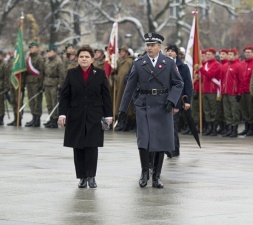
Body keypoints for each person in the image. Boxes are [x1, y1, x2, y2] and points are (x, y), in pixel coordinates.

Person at [118, 32, 183, 189]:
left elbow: (178, 83)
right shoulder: (139, 63)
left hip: (163, 105)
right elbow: (130, 87)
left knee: (160, 142)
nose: (149, 48)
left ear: (159, 47)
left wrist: (172, 100)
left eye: (152, 45)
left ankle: (156, 177)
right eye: (147, 45)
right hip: (144, 105)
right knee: (143, 141)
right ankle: (144, 172)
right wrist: (122, 110)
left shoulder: (168, 62)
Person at [58, 45, 113, 189]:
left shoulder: (100, 74)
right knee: (78, 147)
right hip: (75, 115)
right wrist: (62, 114)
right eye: (81, 56)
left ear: (92, 59)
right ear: (77, 58)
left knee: (92, 146)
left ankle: (91, 176)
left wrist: (108, 115)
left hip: (94, 115)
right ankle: (82, 177)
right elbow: (64, 96)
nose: (84, 59)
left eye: (87, 57)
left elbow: (106, 96)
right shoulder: (71, 73)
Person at [166, 44, 192, 157]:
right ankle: (168, 148)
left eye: (172, 51)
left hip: (177, 100)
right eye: (168, 51)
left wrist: (187, 101)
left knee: (173, 125)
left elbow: (188, 85)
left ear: (176, 53)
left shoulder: (183, 67)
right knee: (166, 126)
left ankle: (174, 150)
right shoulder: (163, 64)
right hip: (164, 99)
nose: (169, 53)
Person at [220, 48, 243, 137]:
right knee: (227, 111)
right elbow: (222, 79)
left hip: (234, 92)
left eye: (231, 54)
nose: (229, 56)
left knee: (234, 111)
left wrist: (239, 93)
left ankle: (234, 128)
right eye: (228, 54)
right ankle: (229, 128)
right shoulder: (225, 66)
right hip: (225, 92)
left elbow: (241, 80)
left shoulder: (238, 66)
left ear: (235, 56)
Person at [23, 42, 45, 127]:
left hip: (36, 82)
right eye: (31, 48)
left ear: (37, 48)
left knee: (37, 101)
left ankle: (37, 119)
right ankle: (33, 117)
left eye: (33, 47)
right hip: (29, 82)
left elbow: (41, 72)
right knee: (31, 101)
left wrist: (41, 84)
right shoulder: (28, 58)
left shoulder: (39, 58)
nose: (32, 49)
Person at [43, 44, 64, 128]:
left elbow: (61, 74)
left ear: (55, 52)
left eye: (50, 52)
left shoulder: (58, 61)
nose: (48, 53)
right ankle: (51, 118)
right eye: (48, 52)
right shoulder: (47, 61)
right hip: (47, 83)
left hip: (54, 83)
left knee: (54, 102)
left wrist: (60, 85)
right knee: (48, 103)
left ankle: (55, 120)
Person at [239, 46, 253, 136]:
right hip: (242, 90)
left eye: (249, 52)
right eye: (246, 52)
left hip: (250, 90)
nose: (247, 54)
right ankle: (246, 127)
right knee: (244, 109)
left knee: (251, 110)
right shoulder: (242, 64)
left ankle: (251, 127)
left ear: (252, 53)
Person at [0, 50, 9, 125]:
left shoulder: (4, 65)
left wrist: (6, 88)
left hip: (1, 87)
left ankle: (1, 118)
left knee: (1, 104)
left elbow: (6, 77)